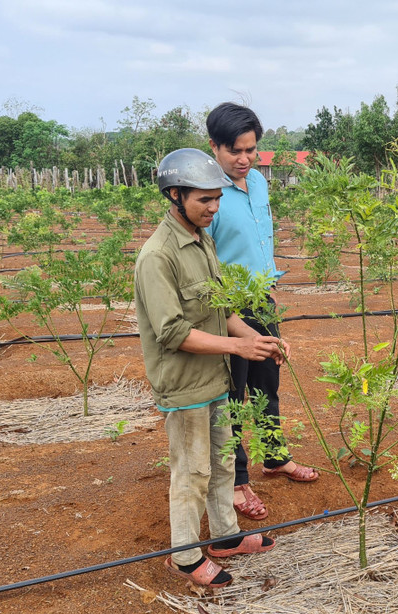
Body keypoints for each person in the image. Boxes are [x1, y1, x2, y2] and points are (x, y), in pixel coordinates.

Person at [134, 148, 282, 588]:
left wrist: (255, 338)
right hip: (185, 385)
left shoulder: (203, 238)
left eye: (218, 198)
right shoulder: (158, 256)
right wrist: (238, 346)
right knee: (192, 470)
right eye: (205, 200)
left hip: (217, 375)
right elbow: (172, 332)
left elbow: (221, 307)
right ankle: (183, 556)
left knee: (221, 463)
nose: (214, 208)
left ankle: (225, 537)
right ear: (175, 195)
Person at [204, 102, 318, 522]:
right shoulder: (208, 193)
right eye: (235, 150)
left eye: (251, 150)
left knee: (268, 385)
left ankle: (274, 457)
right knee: (232, 395)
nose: (244, 159)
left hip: (262, 300)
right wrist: (235, 324)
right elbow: (206, 263)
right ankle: (236, 480)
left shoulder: (257, 183)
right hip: (226, 308)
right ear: (214, 146)